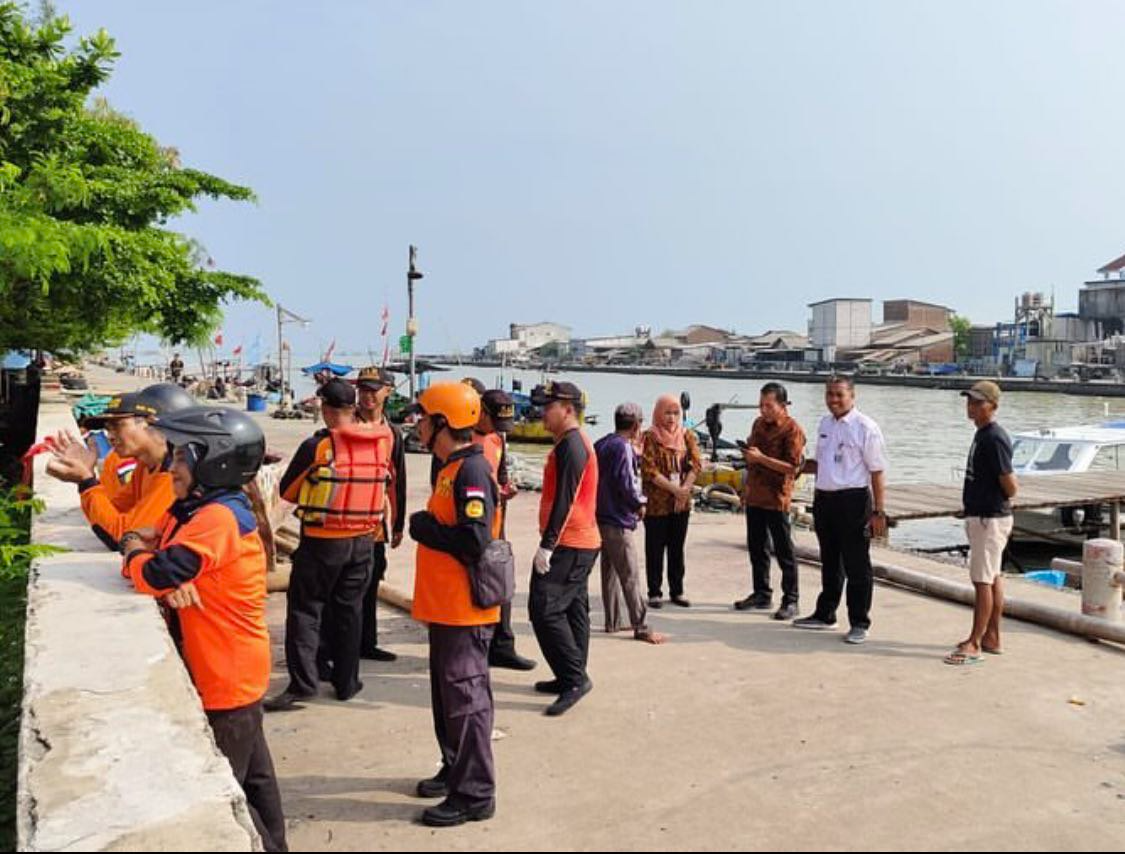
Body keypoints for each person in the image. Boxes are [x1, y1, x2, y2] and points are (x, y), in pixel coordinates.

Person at [120, 406, 287, 851]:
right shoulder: (196, 509)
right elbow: (157, 555)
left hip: (225, 675)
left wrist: (135, 551)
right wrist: (148, 557)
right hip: (230, 668)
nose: (171, 467)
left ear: (208, 460)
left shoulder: (217, 518)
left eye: (179, 457)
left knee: (225, 792)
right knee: (255, 777)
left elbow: (155, 572)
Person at [265, 379, 394, 711]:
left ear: (324, 409)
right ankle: (347, 681)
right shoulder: (382, 442)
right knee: (349, 612)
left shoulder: (318, 447)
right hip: (364, 542)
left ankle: (304, 683)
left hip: (323, 543)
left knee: (306, 610)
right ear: (354, 408)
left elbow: (287, 493)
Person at [407, 382, 500, 827]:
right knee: (449, 700)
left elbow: (475, 540)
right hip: (445, 608)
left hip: (464, 611)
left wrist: (425, 529)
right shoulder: (449, 467)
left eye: (424, 418)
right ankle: (454, 768)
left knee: (466, 702)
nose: (419, 425)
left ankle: (475, 794)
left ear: (442, 422)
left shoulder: (472, 471)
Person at [794, 376, 888, 645]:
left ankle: (860, 621)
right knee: (830, 560)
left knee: (857, 564)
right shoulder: (825, 424)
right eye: (829, 394)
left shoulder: (866, 427)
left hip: (854, 501)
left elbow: (877, 471)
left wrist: (879, 512)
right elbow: (821, 463)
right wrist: (795, 465)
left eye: (839, 395)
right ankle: (825, 614)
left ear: (852, 396)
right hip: (825, 499)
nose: (833, 400)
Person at [46, 383, 196, 550]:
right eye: (108, 429)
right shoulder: (147, 465)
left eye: (117, 426)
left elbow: (123, 538)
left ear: (151, 423)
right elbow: (113, 510)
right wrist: (85, 476)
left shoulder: (173, 474)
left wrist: (86, 481)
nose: (110, 436)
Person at [528, 381, 601, 716]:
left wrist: (547, 545)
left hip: (571, 542)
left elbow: (566, 499)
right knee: (573, 609)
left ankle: (574, 678)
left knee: (544, 608)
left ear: (568, 410)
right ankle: (570, 673)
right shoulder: (567, 443)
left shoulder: (572, 445)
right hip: (577, 540)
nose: (543, 412)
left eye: (549, 406)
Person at [945, 381, 1018, 665]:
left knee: (982, 581)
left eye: (978, 402)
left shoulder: (994, 437)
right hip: (982, 514)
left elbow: (1009, 483)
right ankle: (991, 636)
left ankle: (975, 641)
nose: (971, 406)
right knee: (993, 577)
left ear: (992, 406)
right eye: (970, 401)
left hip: (990, 518)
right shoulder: (982, 435)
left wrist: (986, 503)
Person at [475, 388, 537, 670]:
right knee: (477, 588)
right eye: (494, 422)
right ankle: (480, 646)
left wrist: (505, 490)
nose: (497, 430)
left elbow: (499, 475)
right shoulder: (463, 437)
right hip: (474, 522)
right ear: (481, 412)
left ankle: (503, 645)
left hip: (497, 521)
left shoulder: (497, 437)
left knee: (503, 584)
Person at [734, 382, 806, 621]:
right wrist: (746, 486)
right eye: (761, 405)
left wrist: (762, 459)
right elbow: (752, 459)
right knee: (756, 547)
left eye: (768, 406)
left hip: (777, 498)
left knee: (784, 550)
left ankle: (791, 599)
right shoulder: (758, 425)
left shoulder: (791, 430)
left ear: (782, 406)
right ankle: (761, 592)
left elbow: (792, 467)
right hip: (756, 494)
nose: (763, 410)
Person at [595, 403, 664, 644]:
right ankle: (641, 625)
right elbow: (627, 483)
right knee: (630, 572)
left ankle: (613, 620)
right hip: (617, 517)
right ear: (636, 425)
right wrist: (639, 503)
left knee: (610, 571)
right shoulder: (623, 448)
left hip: (601, 514)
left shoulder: (602, 443)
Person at [352, 365, 406, 662]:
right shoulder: (347, 426)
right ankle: (340, 645)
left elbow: (397, 482)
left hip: (375, 525)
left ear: (388, 391)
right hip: (346, 523)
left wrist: (397, 524)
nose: (367, 395)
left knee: (372, 582)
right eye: (363, 389)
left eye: (374, 389)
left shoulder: (392, 433)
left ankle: (367, 643)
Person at [641, 394, 702, 608]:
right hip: (657, 503)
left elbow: (696, 464)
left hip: (680, 503)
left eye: (676, 413)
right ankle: (654, 591)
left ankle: (677, 590)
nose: (671, 418)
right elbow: (649, 470)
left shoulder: (687, 436)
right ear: (659, 413)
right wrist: (675, 489)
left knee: (677, 547)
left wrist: (684, 490)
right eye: (667, 413)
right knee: (655, 548)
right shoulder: (650, 437)